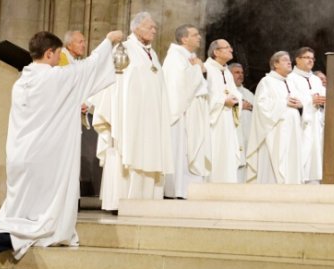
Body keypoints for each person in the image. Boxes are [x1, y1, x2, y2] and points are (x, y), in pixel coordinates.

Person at [0, 29, 123, 269]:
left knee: (19, 214)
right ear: (49, 53)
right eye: (59, 55)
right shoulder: (56, 78)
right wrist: (109, 40)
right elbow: (91, 66)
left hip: (19, 159)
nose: (60, 60)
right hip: (46, 163)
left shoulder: (21, 83)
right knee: (46, 223)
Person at [92, 12, 173, 210]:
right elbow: (114, 83)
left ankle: (148, 202)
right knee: (129, 152)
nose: (154, 30)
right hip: (129, 118)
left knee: (150, 152)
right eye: (150, 27)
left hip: (151, 118)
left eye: (154, 27)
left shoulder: (152, 54)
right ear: (136, 28)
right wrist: (118, 112)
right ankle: (122, 202)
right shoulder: (123, 49)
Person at [163, 24, 210, 197]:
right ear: (184, 39)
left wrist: (199, 68)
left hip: (191, 111)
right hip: (180, 113)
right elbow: (179, 84)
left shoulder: (189, 57)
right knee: (180, 151)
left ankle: (188, 189)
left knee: (190, 149)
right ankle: (177, 189)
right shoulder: (175, 57)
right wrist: (198, 68)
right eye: (195, 35)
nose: (199, 37)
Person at [250, 51, 304, 183]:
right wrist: (283, 103)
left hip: (292, 130)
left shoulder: (290, 82)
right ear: (275, 64)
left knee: (291, 159)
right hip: (275, 132)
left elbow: (299, 103)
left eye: (289, 60)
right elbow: (261, 106)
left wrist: (300, 105)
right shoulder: (267, 81)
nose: (289, 62)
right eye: (285, 60)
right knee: (276, 161)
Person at [60, 29, 102, 198]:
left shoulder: (74, 61)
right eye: (80, 41)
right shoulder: (62, 59)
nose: (84, 44)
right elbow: (63, 88)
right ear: (69, 44)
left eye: (84, 41)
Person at [204, 40, 243, 184]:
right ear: (216, 52)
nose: (231, 50)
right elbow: (204, 96)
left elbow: (235, 93)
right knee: (216, 152)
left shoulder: (226, 71)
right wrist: (222, 101)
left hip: (227, 119)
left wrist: (236, 98)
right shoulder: (207, 69)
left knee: (227, 155)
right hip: (214, 121)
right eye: (227, 47)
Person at [286, 46, 325, 184]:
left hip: (316, 122)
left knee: (316, 153)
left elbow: (322, 96)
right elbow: (292, 99)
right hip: (301, 123)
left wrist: (322, 101)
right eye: (307, 58)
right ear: (297, 59)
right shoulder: (290, 78)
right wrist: (310, 101)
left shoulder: (316, 79)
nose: (310, 61)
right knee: (302, 152)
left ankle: (315, 180)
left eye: (312, 58)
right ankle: (299, 180)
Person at [229, 62, 256, 181]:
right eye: (236, 72)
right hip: (232, 135)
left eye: (242, 73)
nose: (240, 75)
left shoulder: (249, 94)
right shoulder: (227, 91)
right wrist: (240, 106)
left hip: (247, 136)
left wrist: (251, 107)